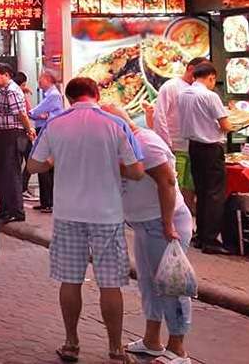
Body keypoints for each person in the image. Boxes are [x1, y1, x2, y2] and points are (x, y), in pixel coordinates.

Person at [26, 77, 145, 364]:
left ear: (68, 98)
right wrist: (113, 166)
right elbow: (138, 170)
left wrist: (55, 161)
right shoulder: (115, 124)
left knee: (70, 280)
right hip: (107, 214)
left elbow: (33, 165)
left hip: (67, 214)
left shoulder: (55, 124)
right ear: (96, 94)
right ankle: (116, 349)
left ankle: (71, 343)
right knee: (110, 283)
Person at [115, 109, 194, 363]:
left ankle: (178, 349)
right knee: (148, 283)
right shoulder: (124, 144)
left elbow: (168, 182)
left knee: (172, 285)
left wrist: (167, 223)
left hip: (161, 225)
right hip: (144, 224)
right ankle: (152, 340)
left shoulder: (145, 144)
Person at [178, 62, 234, 255]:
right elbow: (225, 125)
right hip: (211, 147)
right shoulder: (210, 96)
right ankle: (211, 240)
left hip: (194, 147)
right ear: (211, 77)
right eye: (213, 81)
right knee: (214, 194)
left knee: (201, 191)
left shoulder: (183, 94)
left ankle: (200, 236)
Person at [148, 57, 206, 212]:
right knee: (175, 185)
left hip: (195, 145)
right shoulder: (171, 87)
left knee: (190, 186)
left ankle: (188, 221)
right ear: (190, 68)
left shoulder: (200, 88)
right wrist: (166, 144)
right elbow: (160, 116)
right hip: (175, 146)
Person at [0, 63, 37, 224]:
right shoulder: (3, 91)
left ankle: (16, 211)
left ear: (6, 75)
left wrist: (29, 129)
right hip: (4, 134)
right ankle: (5, 208)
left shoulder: (12, 90)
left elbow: (21, 114)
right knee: (3, 173)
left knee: (11, 173)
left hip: (13, 135)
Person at [25, 71, 65, 212]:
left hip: (50, 134)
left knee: (45, 167)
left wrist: (30, 111)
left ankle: (49, 202)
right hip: (48, 132)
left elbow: (35, 113)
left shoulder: (53, 96)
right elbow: (39, 115)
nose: (38, 81)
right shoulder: (50, 95)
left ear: (48, 79)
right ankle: (46, 201)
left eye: (40, 79)